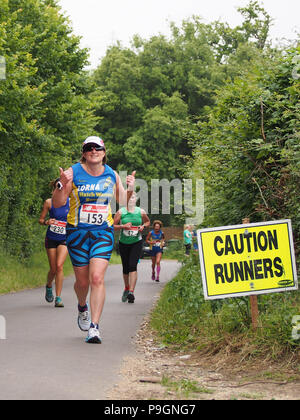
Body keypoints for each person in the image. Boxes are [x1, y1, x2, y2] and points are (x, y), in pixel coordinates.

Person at [52, 136, 135, 344]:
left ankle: (94, 327)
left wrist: (130, 187)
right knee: (82, 282)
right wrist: (61, 184)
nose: (93, 151)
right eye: (89, 148)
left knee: (97, 278)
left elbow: (125, 202)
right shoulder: (73, 172)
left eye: (97, 148)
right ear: (83, 153)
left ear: (104, 151)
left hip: (102, 232)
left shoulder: (111, 174)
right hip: (77, 233)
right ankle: (82, 307)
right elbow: (58, 203)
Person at [114, 192, 150, 304]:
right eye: (129, 197)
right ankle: (126, 287)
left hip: (136, 242)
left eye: (133, 197)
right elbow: (112, 226)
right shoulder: (121, 212)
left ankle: (131, 292)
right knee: (125, 268)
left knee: (132, 266)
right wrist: (122, 226)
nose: (131, 199)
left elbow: (148, 222)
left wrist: (142, 226)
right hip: (123, 242)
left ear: (136, 199)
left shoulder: (141, 212)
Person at [39, 178, 69, 308]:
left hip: (65, 238)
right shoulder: (49, 202)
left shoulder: (71, 202)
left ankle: (58, 298)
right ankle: (49, 285)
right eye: (59, 187)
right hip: (51, 237)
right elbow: (40, 220)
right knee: (53, 268)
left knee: (59, 266)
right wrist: (46, 222)